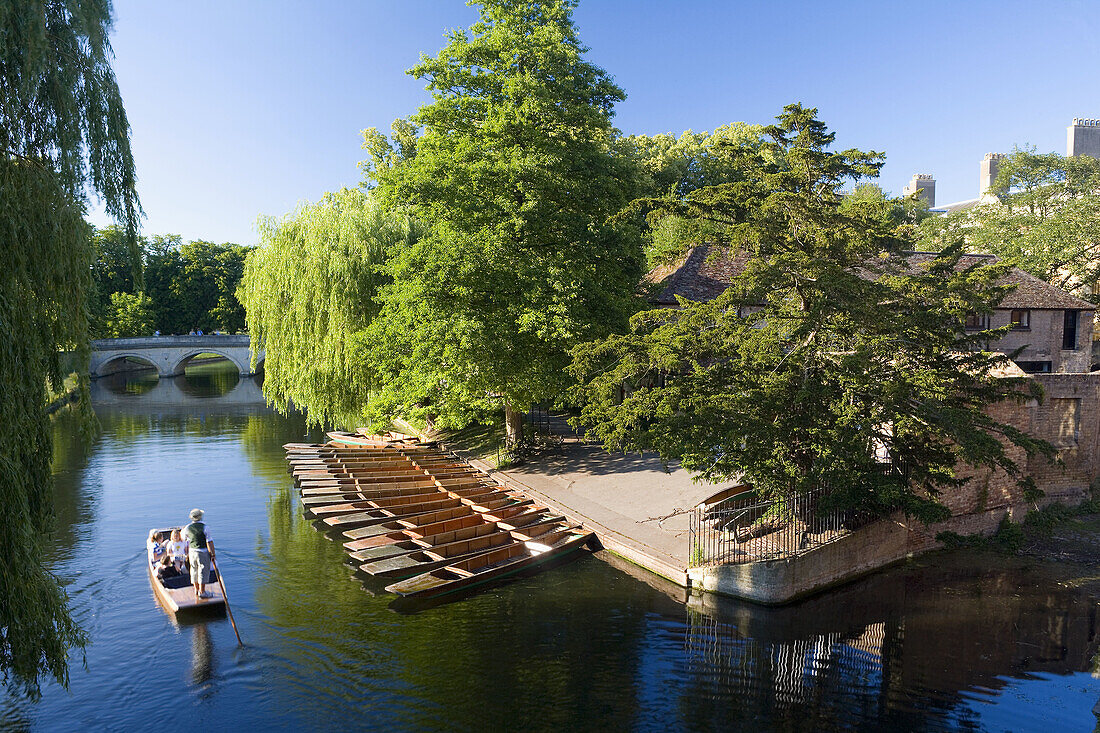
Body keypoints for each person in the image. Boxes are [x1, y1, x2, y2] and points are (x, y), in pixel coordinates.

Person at [183, 508, 216, 600]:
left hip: (192, 552)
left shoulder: (187, 528)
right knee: (203, 571)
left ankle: (196, 590)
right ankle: (202, 592)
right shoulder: (205, 527)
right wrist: (213, 554)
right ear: (200, 517)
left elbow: (185, 540)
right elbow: (209, 542)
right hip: (202, 552)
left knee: (194, 570)